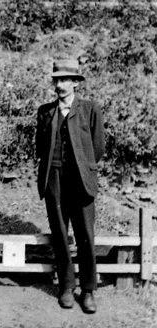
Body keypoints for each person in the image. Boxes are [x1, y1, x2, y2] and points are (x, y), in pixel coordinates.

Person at [35, 59, 104, 314]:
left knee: (85, 235)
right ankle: (66, 287)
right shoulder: (45, 111)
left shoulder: (89, 109)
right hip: (54, 179)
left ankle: (88, 290)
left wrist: (83, 167)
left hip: (81, 181)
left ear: (75, 82)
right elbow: (41, 146)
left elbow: (98, 147)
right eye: (57, 80)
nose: (60, 85)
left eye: (65, 80)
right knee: (61, 235)